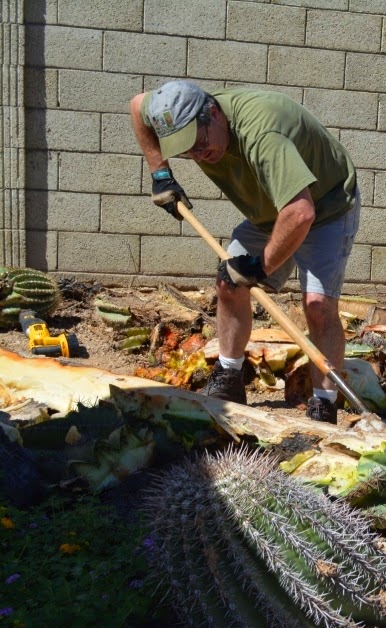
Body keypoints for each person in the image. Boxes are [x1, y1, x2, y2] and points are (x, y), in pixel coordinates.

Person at [129, 80, 360, 424]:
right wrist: (160, 173)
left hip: (325, 206)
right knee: (228, 283)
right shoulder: (172, 113)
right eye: (186, 150)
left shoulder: (262, 133)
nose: (199, 154)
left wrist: (259, 266)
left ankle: (324, 402)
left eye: (200, 142)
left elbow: (301, 213)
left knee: (318, 305)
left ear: (214, 113)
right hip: (269, 210)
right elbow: (137, 106)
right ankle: (229, 377)